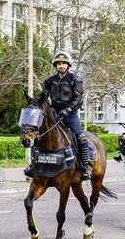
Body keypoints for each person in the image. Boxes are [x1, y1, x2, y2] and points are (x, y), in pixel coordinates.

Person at [30, 49, 90, 181]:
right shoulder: (49, 80)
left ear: (68, 65)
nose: (61, 66)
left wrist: (68, 110)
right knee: (37, 135)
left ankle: (84, 167)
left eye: (64, 63)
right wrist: (33, 101)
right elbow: (43, 97)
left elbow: (78, 99)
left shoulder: (76, 79)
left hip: (70, 114)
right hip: (53, 114)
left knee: (81, 137)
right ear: (56, 66)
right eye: (58, 64)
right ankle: (32, 165)